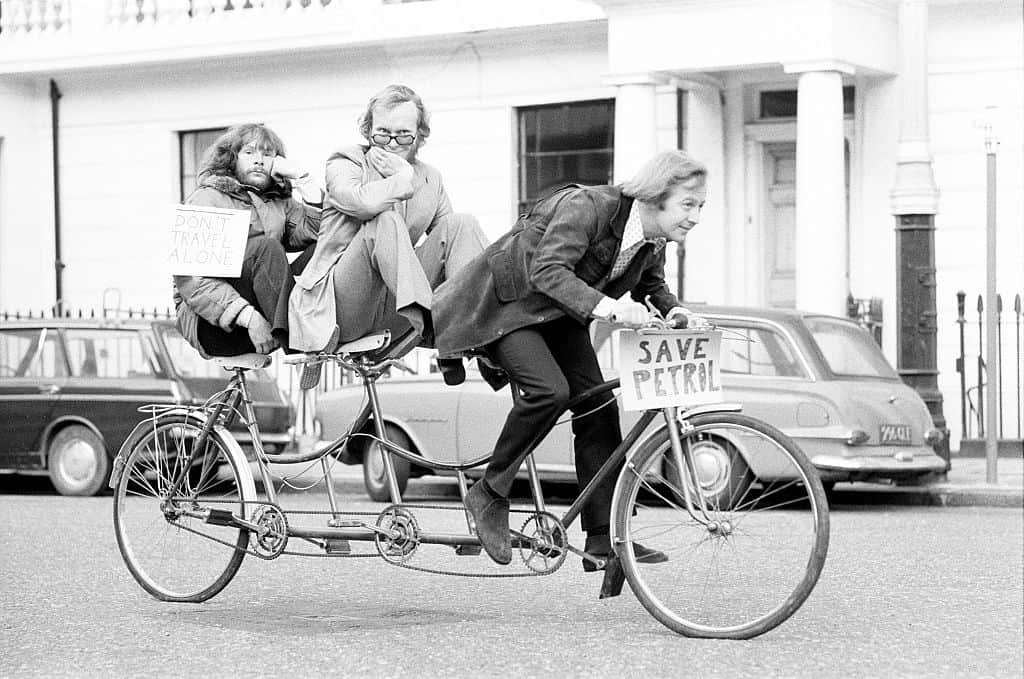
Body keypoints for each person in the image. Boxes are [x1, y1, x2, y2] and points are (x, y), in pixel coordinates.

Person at [431, 150, 710, 567]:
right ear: (656, 196)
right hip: (508, 307)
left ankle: (604, 538)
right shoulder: (589, 207)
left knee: (599, 407)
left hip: (559, 317)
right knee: (550, 391)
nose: (696, 217)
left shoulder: (653, 240)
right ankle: (488, 492)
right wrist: (610, 308)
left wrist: (677, 312)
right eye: (688, 204)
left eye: (701, 206)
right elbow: (548, 270)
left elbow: (652, 287)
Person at [288, 84, 487, 384]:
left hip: (398, 307)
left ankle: (465, 334)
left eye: (403, 135)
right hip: (340, 307)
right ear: (368, 131)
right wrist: (402, 177)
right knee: (384, 220)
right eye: (382, 134)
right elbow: (362, 203)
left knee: (463, 223)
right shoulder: (346, 161)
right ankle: (435, 322)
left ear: (420, 135)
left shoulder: (431, 178)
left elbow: (452, 242)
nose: (392, 144)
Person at [173, 123, 322, 358]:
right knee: (265, 248)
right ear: (232, 158)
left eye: (267, 154)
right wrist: (250, 318)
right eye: (249, 152)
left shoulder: (278, 203)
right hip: (214, 324)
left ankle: (318, 326)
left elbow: (318, 231)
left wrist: (303, 179)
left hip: (269, 316)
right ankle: (303, 344)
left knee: (323, 249)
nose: (259, 160)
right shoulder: (206, 198)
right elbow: (193, 280)